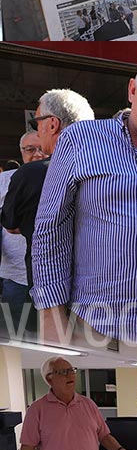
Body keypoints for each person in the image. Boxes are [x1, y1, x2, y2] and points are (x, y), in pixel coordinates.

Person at [30, 51, 137, 345]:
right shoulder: (82, 140)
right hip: (99, 328)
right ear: (133, 89)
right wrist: (50, 316)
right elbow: (50, 228)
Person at [1, 90, 94, 296]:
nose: (37, 131)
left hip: (51, 292)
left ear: (52, 124)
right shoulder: (111, 169)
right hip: (106, 291)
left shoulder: (31, 174)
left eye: (36, 124)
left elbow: (11, 225)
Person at [0, 130, 44, 329]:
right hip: (16, 276)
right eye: (30, 150)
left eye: (41, 149)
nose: (37, 154)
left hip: (52, 278)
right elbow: (9, 225)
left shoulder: (61, 178)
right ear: (21, 152)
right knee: (18, 339)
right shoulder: (5, 180)